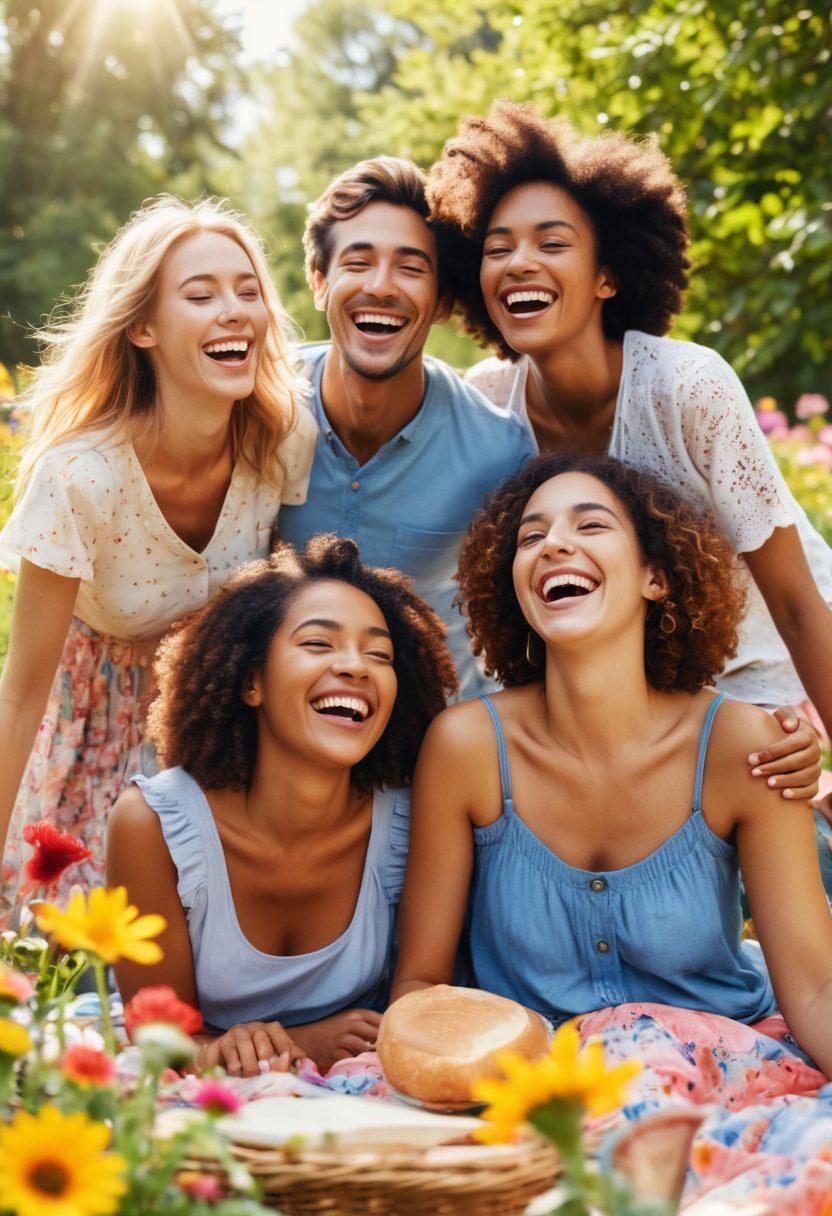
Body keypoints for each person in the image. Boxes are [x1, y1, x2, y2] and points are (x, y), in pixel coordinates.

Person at [426, 102, 832, 779]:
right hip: (604, 712)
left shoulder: (687, 389)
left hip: (750, 690)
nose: (519, 263)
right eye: (498, 249)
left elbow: (794, 601)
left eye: (552, 244)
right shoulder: (487, 403)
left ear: (607, 277)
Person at [392, 454, 832, 1079]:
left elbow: (815, 990)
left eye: (590, 525)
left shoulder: (745, 747)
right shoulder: (465, 748)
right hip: (532, 1087)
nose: (553, 545)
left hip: (727, 1073)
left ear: (656, 576)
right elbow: (421, 983)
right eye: (531, 537)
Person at [0, 196, 316, 925]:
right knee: (78, 946)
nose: (234, 311)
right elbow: (20, 695)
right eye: (201, 295)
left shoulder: (281, 438)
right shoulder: (80, 479)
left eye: (248, 291)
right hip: (88, 729)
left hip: (214, 721)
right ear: (143, 327)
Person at [107, 536, 456, 1077]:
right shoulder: (152, 825)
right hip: (207, 1105)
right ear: (251, 682)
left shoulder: (412, 821)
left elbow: (423, 1002)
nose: (356, 666)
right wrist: (297, 1044)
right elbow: (159, 1043)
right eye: (318, 643)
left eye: (379, 654)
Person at [277, 156, 537, 699]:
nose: (381, 286)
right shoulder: (257, 407)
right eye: (358, 262)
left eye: (411, 268)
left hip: (439, 732)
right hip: (283, 725)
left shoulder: (501, 453)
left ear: (442, 303)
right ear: (319, 283)